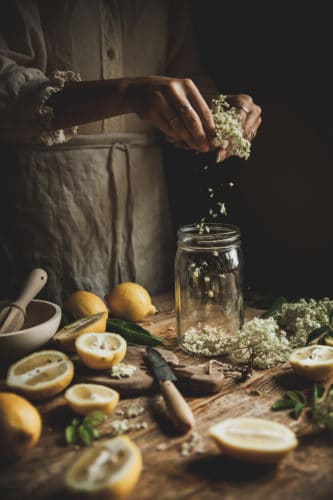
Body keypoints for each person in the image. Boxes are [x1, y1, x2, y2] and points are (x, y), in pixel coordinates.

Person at [0, 0, 262, 306]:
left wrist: (217, 114)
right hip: (48, 206)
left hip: (143, 211)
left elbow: (186, 75)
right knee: (45, 322)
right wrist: (126, 92)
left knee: (146, 322)